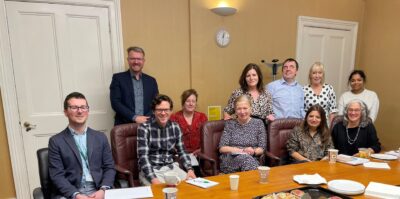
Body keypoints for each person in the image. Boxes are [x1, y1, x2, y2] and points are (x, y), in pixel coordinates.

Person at [48, 92, 115, 199]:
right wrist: (76, 195)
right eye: (74, 107)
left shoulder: (100, 137)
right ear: (65, 112)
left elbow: (109, 167)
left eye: (83, 107)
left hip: (99, 189)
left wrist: (103, 190)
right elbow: (57, 175)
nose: (80, 111)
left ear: (88, 111)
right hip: (71, 192)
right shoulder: (56, 141)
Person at [137, 94, 196, 185]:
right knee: (161, 194)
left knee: (191, 186)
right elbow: (143, 157)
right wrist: (154, 179)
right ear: (153, 111)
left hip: (171, 168)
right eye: (160, 110)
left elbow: (182, 151)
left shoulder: (175, 127)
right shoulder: (144, 128)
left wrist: (190, 169)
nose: (163, 113)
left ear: (171, 111)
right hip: (152, 170)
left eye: (166, 110)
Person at [110, 46, 159, 125]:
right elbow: (115, 103)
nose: (136, 62)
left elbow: (156, 103)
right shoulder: (118, 78)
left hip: (147, 124)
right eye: (132, 58)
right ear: (128, 60)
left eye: (139, 59)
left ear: (143, 61)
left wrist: (146, 118)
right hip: (124, 125)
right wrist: (135, 117)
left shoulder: (151, 81)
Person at [219, 95, 266, 173]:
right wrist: (242, 151)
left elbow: (262, 148)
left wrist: (253, 151)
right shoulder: (230, 124)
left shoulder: (258, 123)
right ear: (235, 110)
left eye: (245, 108)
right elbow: (222, 148)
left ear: (251, 108)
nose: (242, 112)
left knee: (248, 161)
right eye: (239, 109)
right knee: (246, 160)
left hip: (252, 159)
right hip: (231, 159)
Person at [170, 89, 207, 154]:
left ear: (196, 103)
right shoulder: (174, 117)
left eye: (193, 101)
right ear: (183, 103)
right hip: (180, 154)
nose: (191, 104)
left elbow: (207, 139)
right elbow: (170, 139)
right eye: (188, 101)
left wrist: (201, 150)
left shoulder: (202, 117)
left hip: (200, 154)